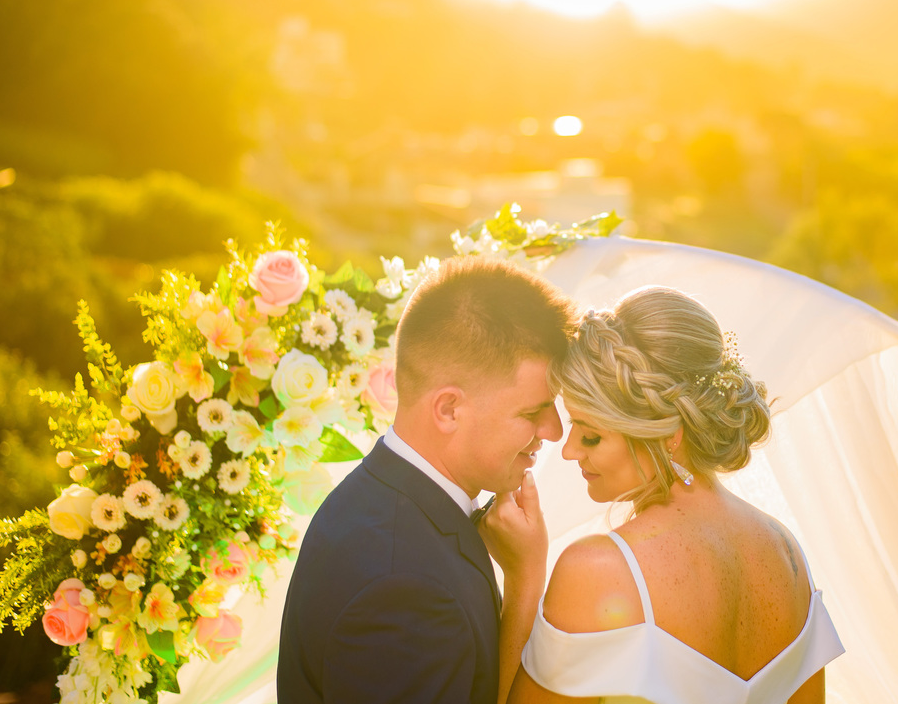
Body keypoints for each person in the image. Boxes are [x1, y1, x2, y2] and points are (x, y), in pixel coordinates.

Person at [494, 286, 845, 704]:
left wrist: (523, 576)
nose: (568, 451)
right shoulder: (788, 555)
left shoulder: (599, 571)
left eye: (590, 435)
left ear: (668, 437)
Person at [277, 256, 575, 704]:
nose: (554, 431)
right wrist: (527, 580)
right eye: (533, 411)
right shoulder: (403, 588)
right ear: (449, 409)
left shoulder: (381, 500)